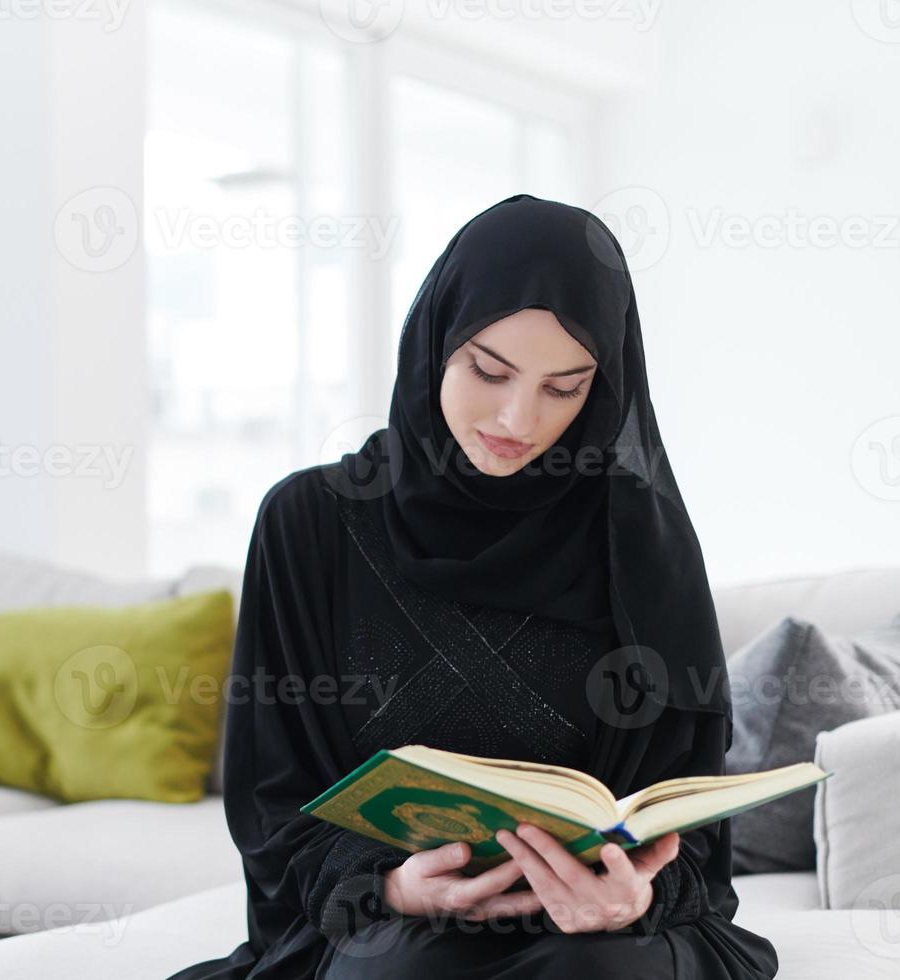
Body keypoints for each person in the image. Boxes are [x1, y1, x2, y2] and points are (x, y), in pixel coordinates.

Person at [166, 194, 780, 979]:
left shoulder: (640, 539)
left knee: (601, 973)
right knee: (392, 973)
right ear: (435, 343)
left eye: (566, 388)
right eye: (489, 371)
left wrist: (632, 899)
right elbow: (273, 799)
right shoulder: (310, 522)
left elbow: (688, 831)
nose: (518, 419)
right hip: (396, 921)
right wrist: (390, 885)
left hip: (598, 936)